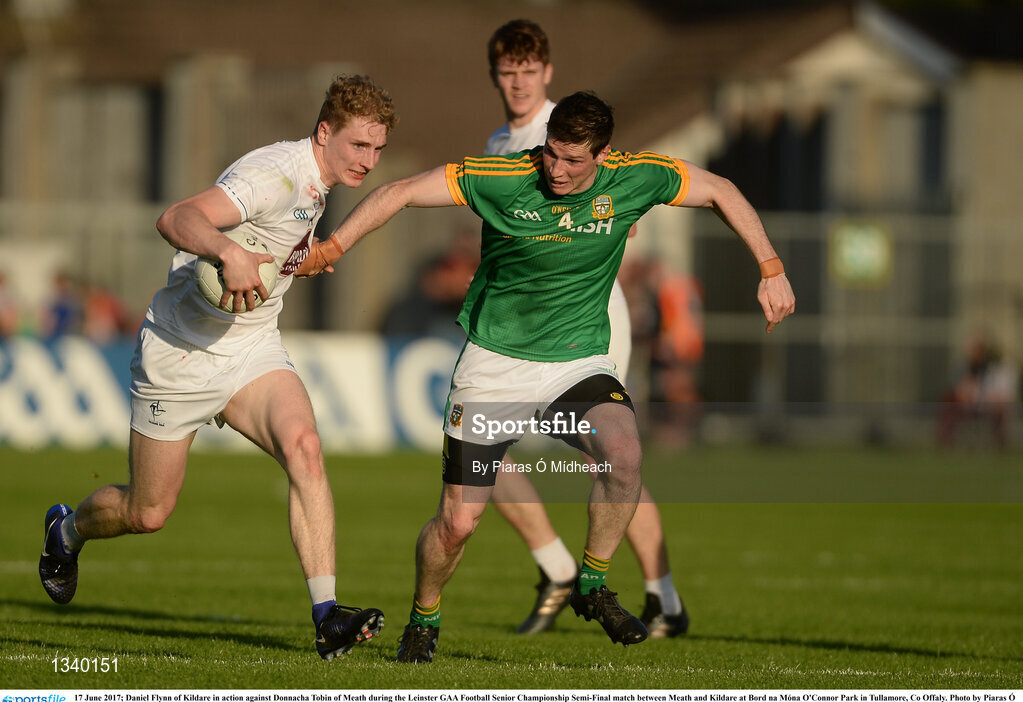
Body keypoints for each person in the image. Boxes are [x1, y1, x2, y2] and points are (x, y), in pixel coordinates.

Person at [296, 90, 795, 663]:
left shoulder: (639, 178)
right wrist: (333, 245)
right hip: (493, 366)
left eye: (572, 160)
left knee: (625, 455)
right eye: (551, 155)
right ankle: (425, 615)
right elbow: (401, 191)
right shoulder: (503, 176)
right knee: (458, 523)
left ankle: (591, 584)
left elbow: (721, 191)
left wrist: (771, 268)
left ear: (603, 156)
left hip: (577, 363)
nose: (556, 170)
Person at [38, 74, 397, 661]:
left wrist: (295, 258)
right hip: (179, 355)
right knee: (147, 512)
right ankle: (66, 531)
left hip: (250, 348)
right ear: (325, 131)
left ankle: (328, 613)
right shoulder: (274, 174)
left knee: (304, 448)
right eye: (359, 145)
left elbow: (274, 242)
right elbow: (177, 218)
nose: (369, 160)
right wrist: (228, 252)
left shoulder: (319, 183)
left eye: (377, 149)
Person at [483, 19, 689, 638]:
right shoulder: (500, 143)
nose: (517, 82)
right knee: (483, 452)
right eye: (506, 71)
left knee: (608, 460)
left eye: (527, 70)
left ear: (546, 71)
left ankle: (647, 593)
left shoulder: (570, 132)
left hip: (586, 326)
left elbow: (621, 201)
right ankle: (600, 579)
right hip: (520, 325)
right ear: (494, 74)